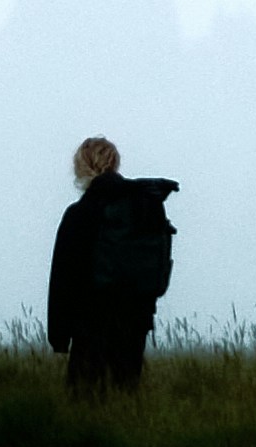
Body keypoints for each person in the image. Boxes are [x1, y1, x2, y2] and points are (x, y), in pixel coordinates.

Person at [47, 136, 177, 399]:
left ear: (81, 167)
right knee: (125, 398)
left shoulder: (80, 214)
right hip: (136, 320)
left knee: (84, 401)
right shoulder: (144, 205)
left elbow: (63, 278)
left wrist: (59, 337)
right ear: (114, 164)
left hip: (90, 321)